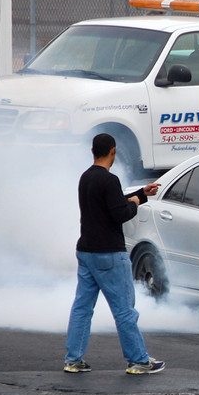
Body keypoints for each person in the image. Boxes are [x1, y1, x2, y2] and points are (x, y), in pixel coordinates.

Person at [64, 133, 164, 375]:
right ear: (113, 151)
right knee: (124, 310)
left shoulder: (85, 177)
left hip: (86, 251)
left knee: (82, 308)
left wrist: (141, 192)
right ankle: (139, 360)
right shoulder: (110, 180)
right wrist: (137, 204)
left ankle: (73, 359)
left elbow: (110, 204)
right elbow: (120, 213)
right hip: (109, 254)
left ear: (92, 151)